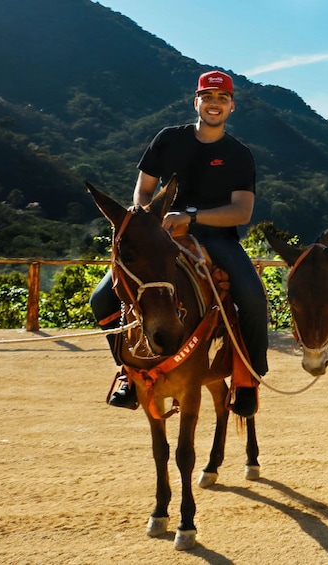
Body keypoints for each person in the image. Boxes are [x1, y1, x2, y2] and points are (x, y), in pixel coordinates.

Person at [90, 70, 267, 417]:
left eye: (222, 99)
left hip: (214, 237)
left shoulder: (238, 153)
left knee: (251, 295)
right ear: (195, 101)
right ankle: (128, 371)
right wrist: (145, 217)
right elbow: (143, 190)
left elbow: (242, 211)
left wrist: (192, 218)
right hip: (160, 236)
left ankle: (248, 379)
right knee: (102, 298)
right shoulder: (168, 139)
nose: (214, 104)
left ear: (232, 106)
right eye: (208, 97)